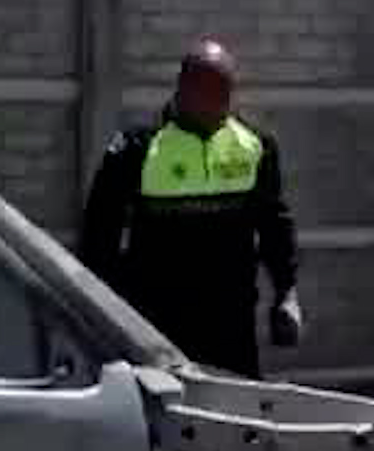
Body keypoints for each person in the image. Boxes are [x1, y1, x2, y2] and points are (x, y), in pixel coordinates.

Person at [78, 39, 304, 378]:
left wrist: (287, 293)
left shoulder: (254, 146)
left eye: (224, 95)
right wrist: (105, 318)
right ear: (183, 91)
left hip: (231, 323)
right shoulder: (135, 150)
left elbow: (275, 225)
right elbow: (99, 237)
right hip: (158, 326)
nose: (217, 107)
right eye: (207, 95)